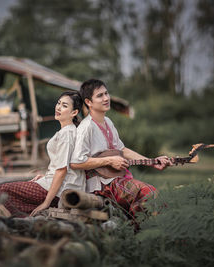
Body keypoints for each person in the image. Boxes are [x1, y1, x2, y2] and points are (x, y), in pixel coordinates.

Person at [70, 79, 171, 219]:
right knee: (149, 193)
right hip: (102, 186)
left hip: (116, 180)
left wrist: (152, 161)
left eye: (106, 93)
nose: (106, 98)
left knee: (151, 199)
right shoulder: (86, 128)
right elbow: (75, 162)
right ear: (88, 102)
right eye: (100, 95)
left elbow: (122, 150)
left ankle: (142, 233)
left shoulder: (108, 122)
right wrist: (109, 161)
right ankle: (143, 234)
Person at [0, 91, 85, 217]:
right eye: (58, 103)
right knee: (7, 196)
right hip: (54, 184)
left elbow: (62, 171)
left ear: (74, 112)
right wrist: (46, 176)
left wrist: (46, 202)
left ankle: (21, 221)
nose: (58, 107)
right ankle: (22, 217)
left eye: (64, 106)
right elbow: (59, 166)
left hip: (60, 191)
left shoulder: (67, 135)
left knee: (1, 191)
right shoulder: (67, 131)